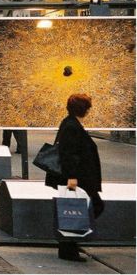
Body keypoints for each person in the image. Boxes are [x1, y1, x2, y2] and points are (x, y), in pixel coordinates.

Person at [45, 94, 104, 262]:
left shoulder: (71, 123)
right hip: (75, 178)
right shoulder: (71, 126)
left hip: (77, 177)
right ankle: (68, 246)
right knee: (86, 207)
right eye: (88, 107)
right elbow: (68, 154)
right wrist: (71, 178)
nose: (89, 110)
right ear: (82, 108)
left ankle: (70, 244)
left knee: (75, 209)